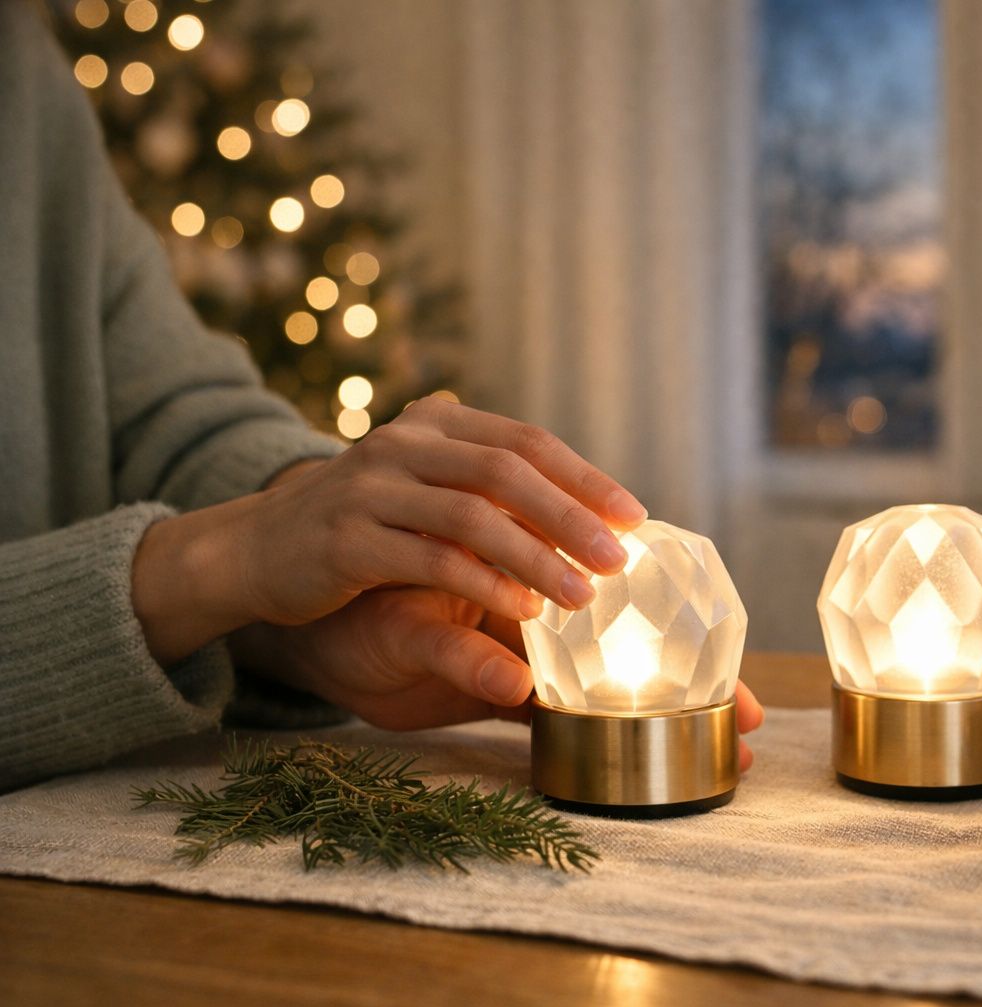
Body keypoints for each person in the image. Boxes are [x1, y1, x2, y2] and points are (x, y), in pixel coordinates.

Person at [0, 5, 763, 792]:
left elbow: (172, 416)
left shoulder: (20, 65)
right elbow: (219, 550)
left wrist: (314, 600)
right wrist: (216, 564)